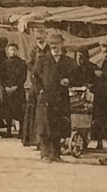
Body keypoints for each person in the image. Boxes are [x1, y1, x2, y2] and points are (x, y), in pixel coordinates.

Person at [32, 30, 81, 163]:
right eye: (51, 43)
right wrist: (40, 91)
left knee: (58, 125)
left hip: (61, 97)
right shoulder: (42, 59)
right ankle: (45, 154)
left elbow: (76, 76)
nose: (54, 46)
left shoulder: (68, 61)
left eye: (57, 43)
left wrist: (69, 80)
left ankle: (56, 154)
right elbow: (35, 76)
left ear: (62, 44)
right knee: (44, 126)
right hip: (46, 98)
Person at [0, 42, 29, 137]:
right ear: (7, 51)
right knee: (8, 111)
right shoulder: (4, 64)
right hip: (7, 90)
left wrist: (16, 86)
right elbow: (1, 77)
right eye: (10, 50)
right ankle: (8, 131)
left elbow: (23, 76)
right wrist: (6, 87)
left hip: (18, 90)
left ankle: (21, 132)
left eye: (14, 50)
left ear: (17, 51)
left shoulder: (22, 63)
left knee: (20, 111)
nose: (12, 52)